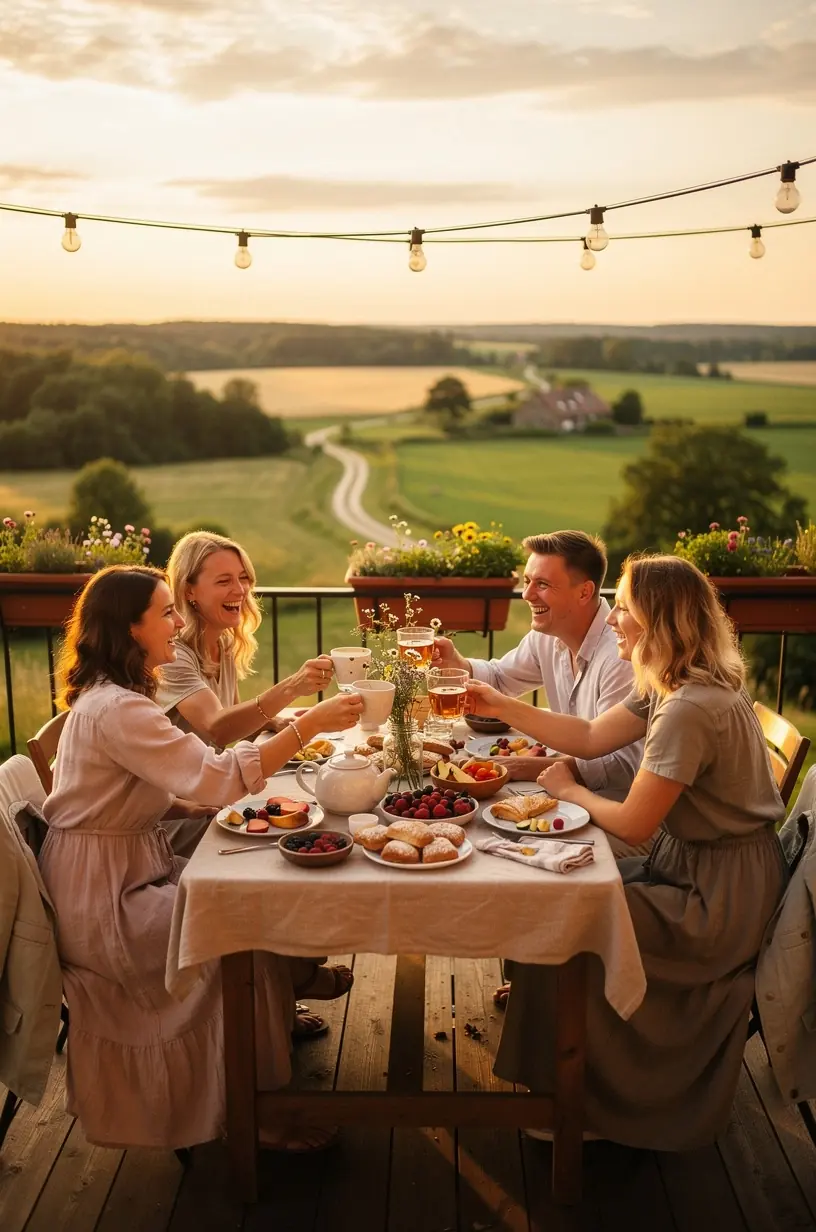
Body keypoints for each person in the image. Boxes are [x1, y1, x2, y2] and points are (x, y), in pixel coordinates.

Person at [466, 555, 787, 1150]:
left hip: (714, 902)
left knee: (564, 914)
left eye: (626, 610)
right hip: (693, 867)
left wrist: (568, 789)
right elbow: (588, 736)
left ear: (658, 622)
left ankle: (589, 1104)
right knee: (554, 895)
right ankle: (561, 1065)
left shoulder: (689, 708)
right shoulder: (676, 681)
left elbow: (637, 822)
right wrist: (501, 704)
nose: (613, 619)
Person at [38, 565, 364, 1151]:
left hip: (119, 874)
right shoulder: (118, 709)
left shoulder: (114, 700)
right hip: (107, 904)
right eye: (164, 612)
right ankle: (259, 1114)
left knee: (251, 907)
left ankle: (264, 1057)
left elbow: (127, 794)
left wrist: (189, 808)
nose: (177, 622)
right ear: (129, 629)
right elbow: (216, 776)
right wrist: (309, 724)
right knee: (241, 935)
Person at [435, 530, 645, 1006]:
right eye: (527, 582)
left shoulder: (621, 656)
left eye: (542, 585)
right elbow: (504, 678)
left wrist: (528, 767)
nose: (527, 594)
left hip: (622, 808)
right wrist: (459, 663)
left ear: (585, 592)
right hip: (577, 792)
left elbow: (621, 765)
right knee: (501, 828)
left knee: (510, 845)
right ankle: (534, 969)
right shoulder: (548, 636)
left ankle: (545, 980)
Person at [158, 530, 335, 749]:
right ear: (188, 591)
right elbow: (217, 728)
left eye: (243, 578)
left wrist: (273, 722)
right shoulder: (172, 654)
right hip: (179, 781)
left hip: (209, 774)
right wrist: (293, 687)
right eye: (224, 581)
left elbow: (234, 721)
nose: (240, 589)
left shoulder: (223, 643)